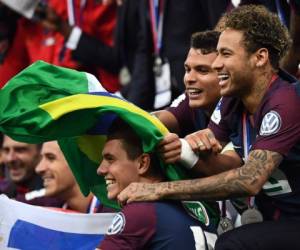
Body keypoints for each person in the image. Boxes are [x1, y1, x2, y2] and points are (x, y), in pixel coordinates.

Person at [118, 5, 300, 249]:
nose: (216, 65)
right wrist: (187, 147)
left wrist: (161, 190)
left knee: (232, 244)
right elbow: (214, 160)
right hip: (276, 220)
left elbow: (249, 180)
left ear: (260, 58)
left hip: (292, 223)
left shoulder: (285, 102)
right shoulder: (233, 102)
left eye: (225, 54)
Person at [96, 118, 217, 250]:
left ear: (142, 164)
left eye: (110, 159)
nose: (100, 170)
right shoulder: (191, 207)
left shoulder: (140, 211)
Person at [36, 140, 105, 213]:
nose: (39, 168)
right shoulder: (48, 211)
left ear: (78, 161)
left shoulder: (113, 212)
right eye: (41, 159)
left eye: (51, 158)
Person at [0, 135, 61, 206]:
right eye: (6, 150)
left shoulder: (59, 196)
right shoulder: (3, 192)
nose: (10, 158)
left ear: (40, 152)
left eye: (20, 150)